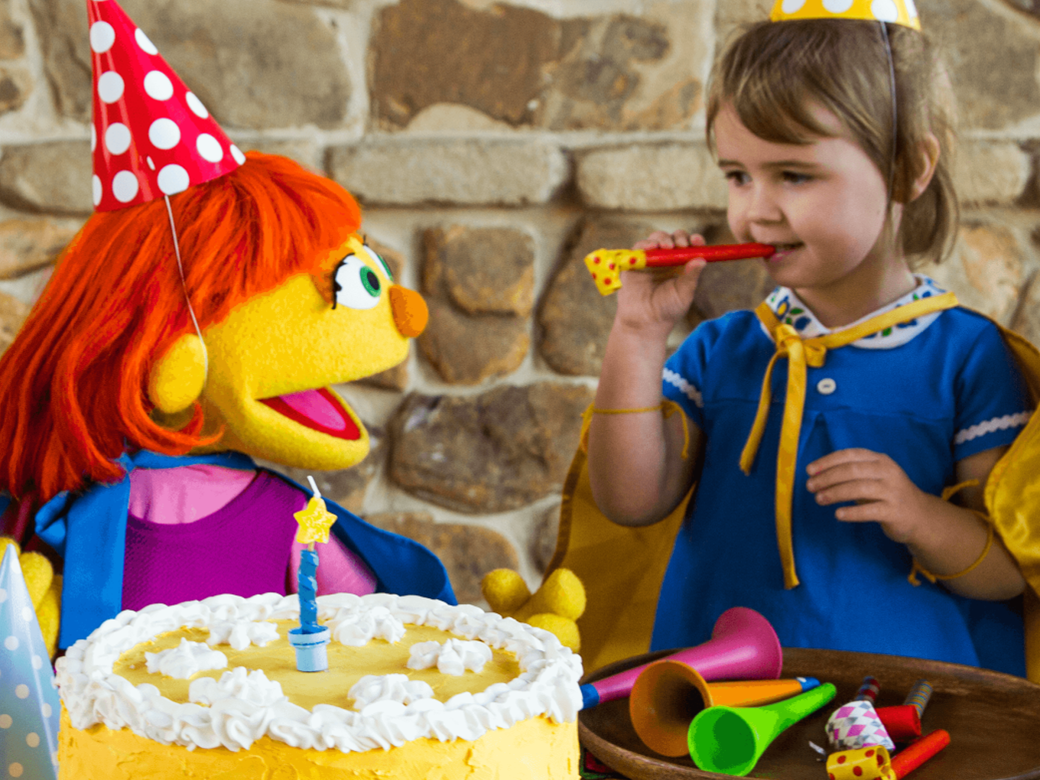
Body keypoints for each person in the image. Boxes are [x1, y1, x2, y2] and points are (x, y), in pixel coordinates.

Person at [585, 6, 1034, 677]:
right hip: (716, 701)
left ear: (910, 168)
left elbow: (1007, 572)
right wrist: (639, 334)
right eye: (738, 174)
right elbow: (628, 502)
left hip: (907, 713)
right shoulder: (720, 350)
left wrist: (916, 514)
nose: (755, 208)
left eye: (794, 175)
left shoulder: (969, 359)